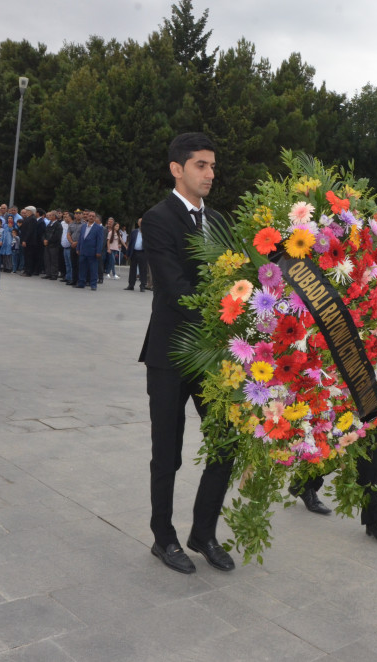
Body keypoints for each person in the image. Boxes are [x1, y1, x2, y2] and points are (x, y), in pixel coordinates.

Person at [289, 193, 377, 545]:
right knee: (346, 431)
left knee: (366, 438)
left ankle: (372, 516)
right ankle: (337, 497)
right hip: (343, 363)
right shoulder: (362, 252)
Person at [140, 132, 235, 574]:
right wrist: (226, 309)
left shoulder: (218, 221)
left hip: (212, 355)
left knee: (226, 441)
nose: (210, 174)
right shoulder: (157, 219)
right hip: (170, 354)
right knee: (169, 451)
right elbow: (174, 287)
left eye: (213, 166)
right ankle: (164, 537)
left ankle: (203, 532)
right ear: (177, 169)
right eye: (201, 165)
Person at [75, 212, 103, 290]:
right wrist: (78, 248)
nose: (91, 217)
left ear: (95, 218)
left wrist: (98, 251)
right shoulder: (83, 226)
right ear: (87, 217)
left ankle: (93, 284)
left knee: (93, 269)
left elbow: (100, 241)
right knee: (82, 268)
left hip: (93, 252)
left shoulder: (98, 228)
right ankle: (81, 283)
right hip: (83, 251)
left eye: (93, 216)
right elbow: (80, 238)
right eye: (90, 216)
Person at [125, 217, 147, 291]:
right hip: (134, 252)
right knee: (132, 269)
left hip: (143, 253)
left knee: (143, 270)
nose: (141, 224)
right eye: (140, 222)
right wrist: (127, 254)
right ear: (138, 223)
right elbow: (130, 243)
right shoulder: (134, 232)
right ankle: (131, 285)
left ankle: (143, 285)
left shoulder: (147, 232)